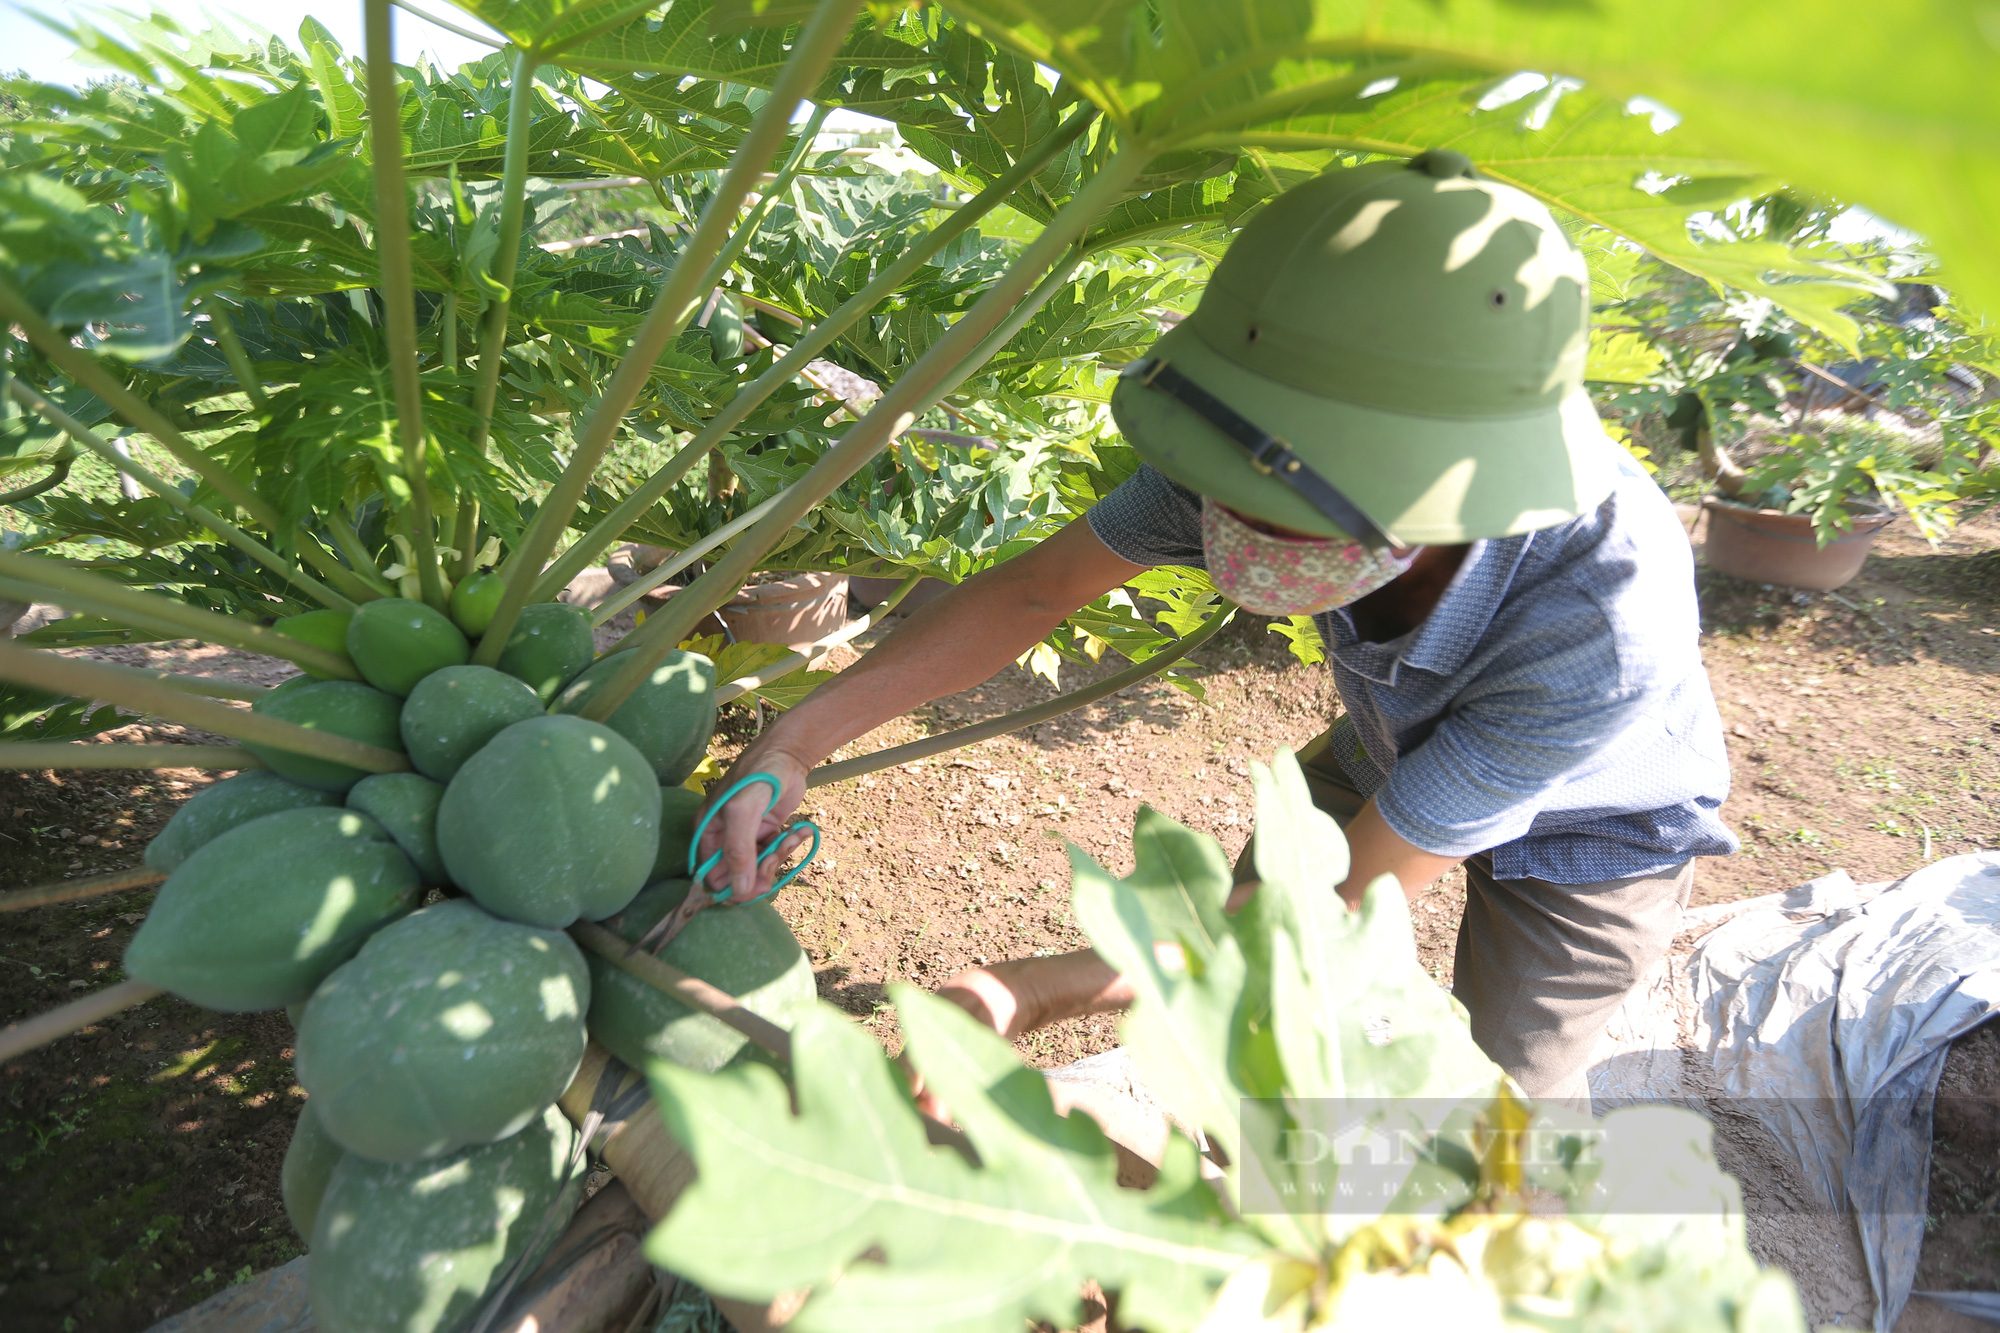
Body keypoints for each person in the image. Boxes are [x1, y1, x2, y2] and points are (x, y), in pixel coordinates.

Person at [697, 148, 1736, 1106]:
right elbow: (1031, 592)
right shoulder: (1254, 448)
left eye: (1288, 522)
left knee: (1484, 1100)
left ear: (1438, 509)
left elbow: (1328, 915)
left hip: (1595, 833)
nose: (1229, 529)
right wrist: (794, 741)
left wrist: (1042, 987)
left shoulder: (1601, 624)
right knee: (1252, 1021)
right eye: (1223, 498)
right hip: (1390, 739)